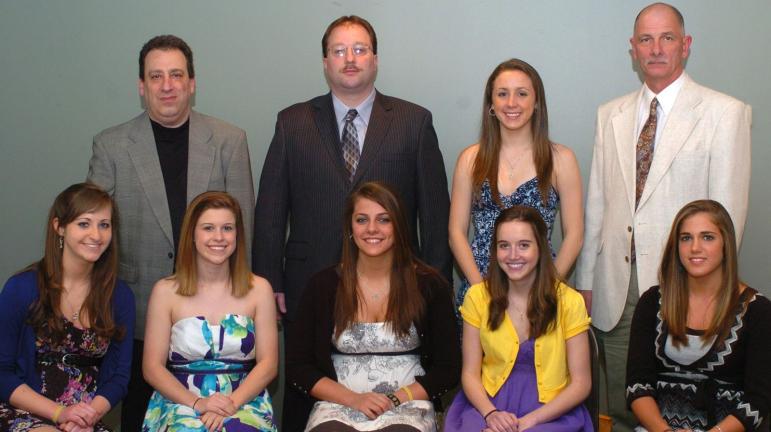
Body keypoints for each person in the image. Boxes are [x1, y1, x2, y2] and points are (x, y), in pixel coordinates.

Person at [576, 4, 751, 430]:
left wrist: (710, 287)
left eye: (667, 38)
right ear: (632, 49)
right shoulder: (610, 115)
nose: (656, 49)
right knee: (621, 405)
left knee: (687, 402)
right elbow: (596, 205)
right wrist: (585, 282)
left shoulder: (724, 113)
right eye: (646, 40)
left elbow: (726, 218)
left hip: (687, 286)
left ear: (685, 46)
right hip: (617, 290)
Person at [87, 34, 255, 431]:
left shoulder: (229, 141)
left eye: (176, 75)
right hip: (140, 309)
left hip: (217, 321)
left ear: (192, 83)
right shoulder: (110, 146)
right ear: (141, 86)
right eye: (156, 76)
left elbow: (243, 228)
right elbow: (93, 233)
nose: (167, 86)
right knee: (139, 418)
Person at [286, 181, 460, 431]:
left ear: (399, 226)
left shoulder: (429, 285)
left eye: (383, 220)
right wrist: (354, 399)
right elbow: (297, 366)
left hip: (407, 406)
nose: (372, 229)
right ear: (350, 227)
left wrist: (394, 399)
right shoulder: (322, 285)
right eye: (361, 220)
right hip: (338, 404)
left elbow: (449, 366)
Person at [449, 58, 583, 311]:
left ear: (536, 103)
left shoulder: (560, 160)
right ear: (491, 104)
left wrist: (545, 290)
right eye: (502, 94)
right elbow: (456, 233)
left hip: (539, 291)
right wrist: (480, 293)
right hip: (481, 290)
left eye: (522, 93)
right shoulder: (470, 160)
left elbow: (574, 235)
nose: (511, 103)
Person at [626, 200, 770, 432]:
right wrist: (664, 430)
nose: (695, 248)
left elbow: (759, 402)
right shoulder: (651, 302)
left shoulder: (758, 310)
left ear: (726, 244)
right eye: (686, 238)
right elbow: (637, 386)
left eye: (707, 237)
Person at [0, 183, 135, 431]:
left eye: (104, 225)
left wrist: (86, 417)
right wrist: (61, 413)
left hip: (86, 418)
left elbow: (119, 377)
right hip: (24, 410)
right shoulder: (21, 288)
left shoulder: (120, 296)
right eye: (84, 223)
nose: (96, 235)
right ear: (59, 227)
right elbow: (2, 373)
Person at [445, 205, 592, 432]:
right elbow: (470, 374)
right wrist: (491, 414)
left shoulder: (570, 302)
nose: (513, 256)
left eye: (524, 245)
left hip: (552, 411)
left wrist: (529, 422)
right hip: (488, 404)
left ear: (540, 248)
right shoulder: (477, 297)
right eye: (504, 246)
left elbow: (581, 384)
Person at [141, 191, 277, 431]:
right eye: (208, 228)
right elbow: (152, 368)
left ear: (237, 235)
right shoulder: (165, 292)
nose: (219, 237)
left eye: (227, 228)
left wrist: (230, 405)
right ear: (192, 234)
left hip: (244, 401)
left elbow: (268, 365)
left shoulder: (260, 289)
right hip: (180, 401)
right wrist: (198, 403)